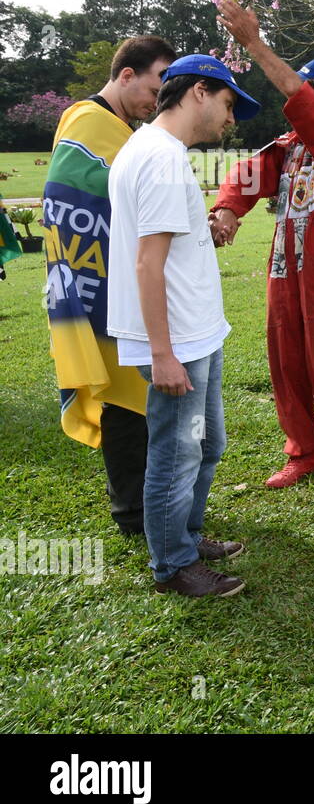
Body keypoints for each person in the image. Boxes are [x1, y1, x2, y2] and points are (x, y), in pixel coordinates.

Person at [208, 0, 314, 494]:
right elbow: (247, 175)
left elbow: (295, 95)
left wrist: (253, 43)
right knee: (285, 359)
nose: (298, 95)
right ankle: (304, 452)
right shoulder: (288, 146)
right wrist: (226, 211)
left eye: (308, 88)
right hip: (284, 263)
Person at [106, 54, 260, 596]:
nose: (231, 119)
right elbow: (147, 263)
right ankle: (172, 565)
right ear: (199, 91)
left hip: (198, 330)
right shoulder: (161, 158)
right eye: (228, 103)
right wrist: (163, 352)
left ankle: (187, 537)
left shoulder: (159, 152)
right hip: (177, 340)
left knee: (207, 442)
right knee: (177, 450)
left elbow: (165, 248)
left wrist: (205, 229)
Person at [43, 35, 177, 537]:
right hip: (94, 283)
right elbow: (72, 203)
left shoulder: (120, 129)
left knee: (135, 401)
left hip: (116, 280)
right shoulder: (88, 121)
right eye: (154, 84)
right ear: (126, 75)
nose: (158, 99)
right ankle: (133, 514)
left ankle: (145, 504)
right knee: (124, 401)